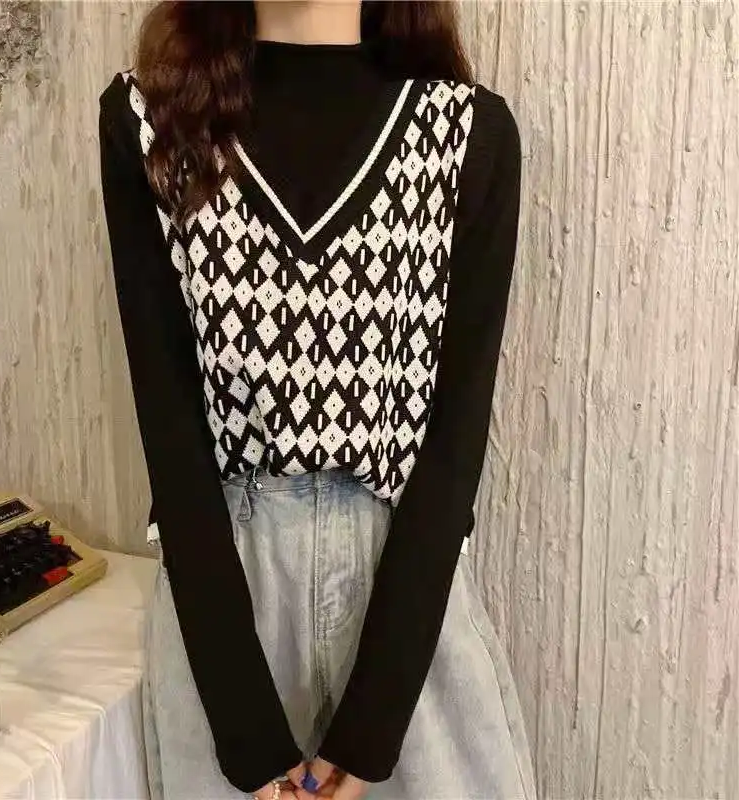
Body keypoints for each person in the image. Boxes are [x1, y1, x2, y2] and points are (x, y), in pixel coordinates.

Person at [98, 1, 534, 798]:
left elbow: (454, 445)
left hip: (404, 606)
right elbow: (170, 432)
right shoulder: (152, 123)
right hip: (227, 604)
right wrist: (243, 724)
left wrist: (373, 726)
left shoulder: (467, 134)